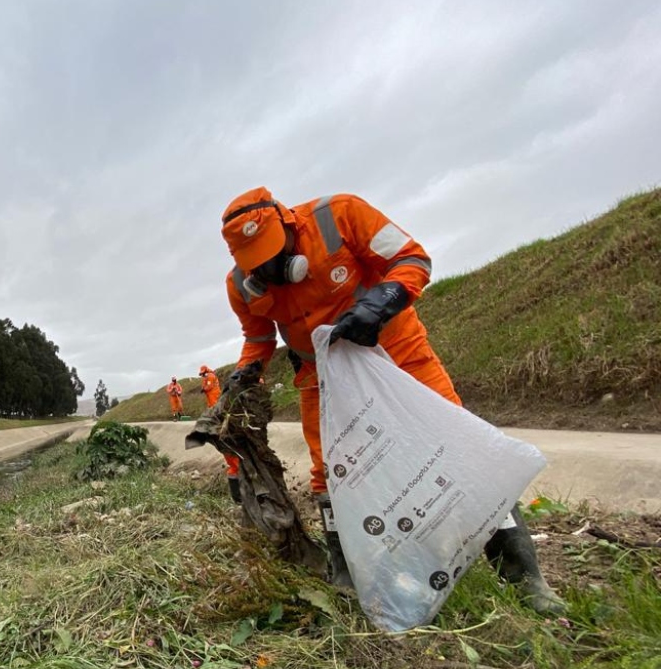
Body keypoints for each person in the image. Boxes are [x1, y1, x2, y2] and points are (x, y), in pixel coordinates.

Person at [219, 186, 563, 613]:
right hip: (322, 379)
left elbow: (412, 258)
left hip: (397, 353)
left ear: (287, 224)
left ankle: (524, 579)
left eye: (274, 254)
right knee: (332, 473)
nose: (269, 268)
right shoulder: (240, 285)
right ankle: (351, 577)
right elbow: (257, 338)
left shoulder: (340, 215)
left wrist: (382, 302)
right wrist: (245, 373)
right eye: (258, 262)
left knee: (462, 451)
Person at [199, 364, 243, 502]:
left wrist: (204, 388)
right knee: (234, 467)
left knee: (235, 466)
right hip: (235, 460)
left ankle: (240, 497)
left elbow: (209, 387)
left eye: (203, 374)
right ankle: (240, 498)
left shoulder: (211, 377)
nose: (203, 376)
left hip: (215, 401)